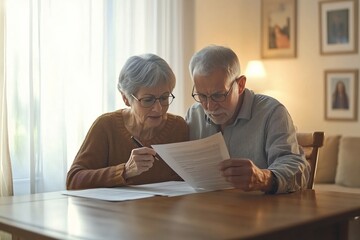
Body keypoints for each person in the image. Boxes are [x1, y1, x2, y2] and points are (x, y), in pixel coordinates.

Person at [185, 45, 309, 194]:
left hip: (262, 212)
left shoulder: (272, 113)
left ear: (241, 85)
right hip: (208, 210)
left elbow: (298, 169)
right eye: (202, 96)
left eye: (218, 95)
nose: (210, 106)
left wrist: (263, 178)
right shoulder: (194, 115)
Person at [67, 54, 188, 190]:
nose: (158, 108)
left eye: (164, 98)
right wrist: (124, 171)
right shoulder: (106, 126)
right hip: (115, 211)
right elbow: (73, 180)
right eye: (148, 100)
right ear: (126, 98)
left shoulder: (179, 128)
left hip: (167, 210)